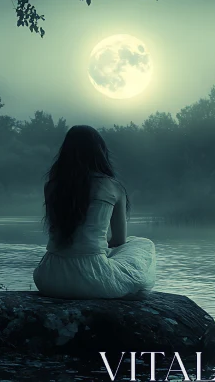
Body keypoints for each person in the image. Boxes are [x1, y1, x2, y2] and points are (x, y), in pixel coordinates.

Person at [33, 125, 156, 299]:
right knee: (143, 244)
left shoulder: (52, 186)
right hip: (93, 279)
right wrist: (97, 246)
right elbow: (119, 240)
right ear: (100, 153)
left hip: (50, 277)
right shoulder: (113, 187)